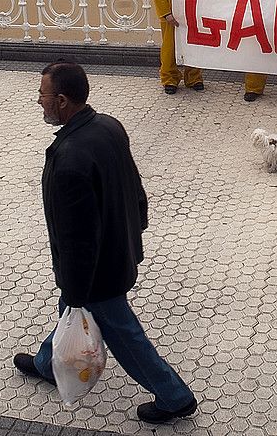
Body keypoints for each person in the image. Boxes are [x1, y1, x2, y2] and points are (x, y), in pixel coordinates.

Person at [17, 61, 197, 424]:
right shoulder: (108, 126)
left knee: (121, 334)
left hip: (96, 273)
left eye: (43, 95)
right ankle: (46, 363)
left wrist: (78, 287)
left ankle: (174, 396)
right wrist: (136, 230)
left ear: (63, 100)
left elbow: (78, 239)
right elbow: (135, 186)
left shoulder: (69, 159)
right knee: (69, 311)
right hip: (116, 253)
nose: (39, 101)